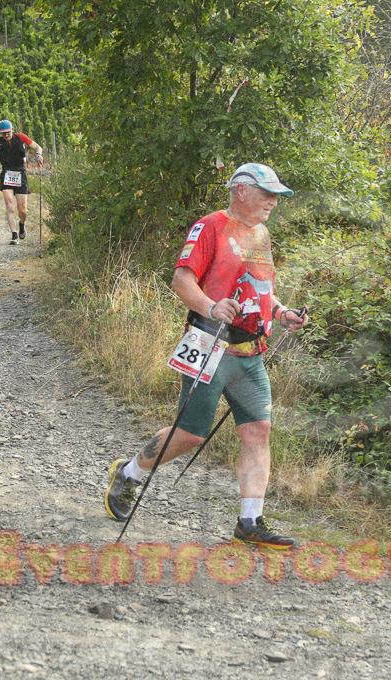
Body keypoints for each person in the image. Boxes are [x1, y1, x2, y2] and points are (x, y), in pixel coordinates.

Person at [104, 163, 308, 549]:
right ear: (241, 190)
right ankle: (129, 472)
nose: (273, 202)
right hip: (207, 344)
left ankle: (249, 522)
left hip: (250, 351)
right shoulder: (210, 226)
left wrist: (282, 314)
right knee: (191, 434)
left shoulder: (262, 234)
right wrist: (212, 307)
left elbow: (261, 290)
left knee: (258, 431)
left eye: (276, 196)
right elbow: (182, 280)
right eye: (266, 193)